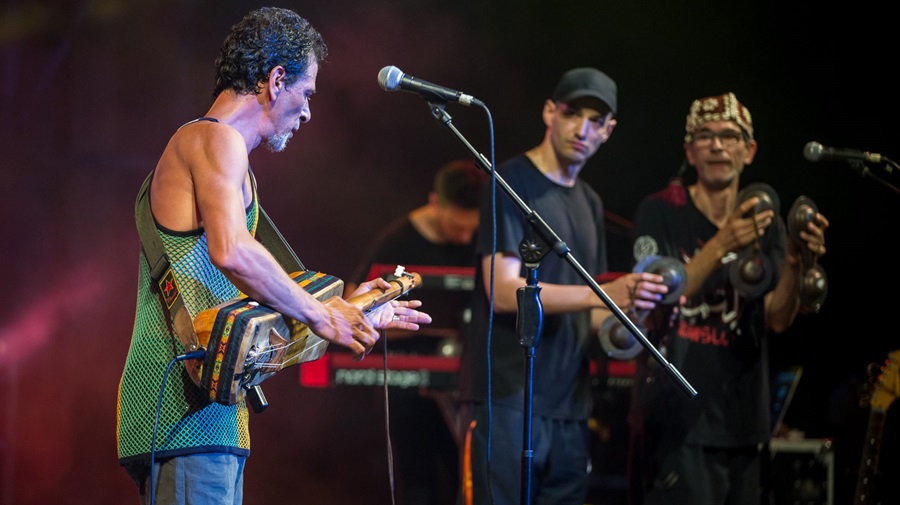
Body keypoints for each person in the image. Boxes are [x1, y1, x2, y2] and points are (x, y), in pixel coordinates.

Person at [115, 7, 429, 505]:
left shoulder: (225, 157)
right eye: (306, 93)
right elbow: (234, 252)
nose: (307, 112)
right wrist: (324, 314)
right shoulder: (211, 138)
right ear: (276, 80)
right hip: (179, 414)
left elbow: (257, 298)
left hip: (207, 419)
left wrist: (355, 309)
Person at [456, 67, 671, 505]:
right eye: (573, 113)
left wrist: (634, 319)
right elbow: (501, 291)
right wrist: (609, 293)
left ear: (608, 131)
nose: (582, 129)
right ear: (550, 112)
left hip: (571, 406)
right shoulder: (510, 181)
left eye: (596, 121)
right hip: (509, 399)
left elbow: (592, 315)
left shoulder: (590, 202)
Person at [625, 92, 830, 505]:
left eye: (730, 136)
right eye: (705, 136)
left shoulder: (766, 220)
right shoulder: (659, 211)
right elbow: (654, 301)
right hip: (677, 423)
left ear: (749, 150)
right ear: (690, 150)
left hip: (744, 422)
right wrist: (723, 242)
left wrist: (793, 262)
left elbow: (776, 318)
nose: (718, 145)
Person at [344, 158, 489, 505]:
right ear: (435, 203)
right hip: (408, 377)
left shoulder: (487, 238)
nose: (465, 239)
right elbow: (353, 305)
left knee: (468, 477)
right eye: (457, 230)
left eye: (471, 230)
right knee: (417, 479)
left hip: (467, 378)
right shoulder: (398, 242)